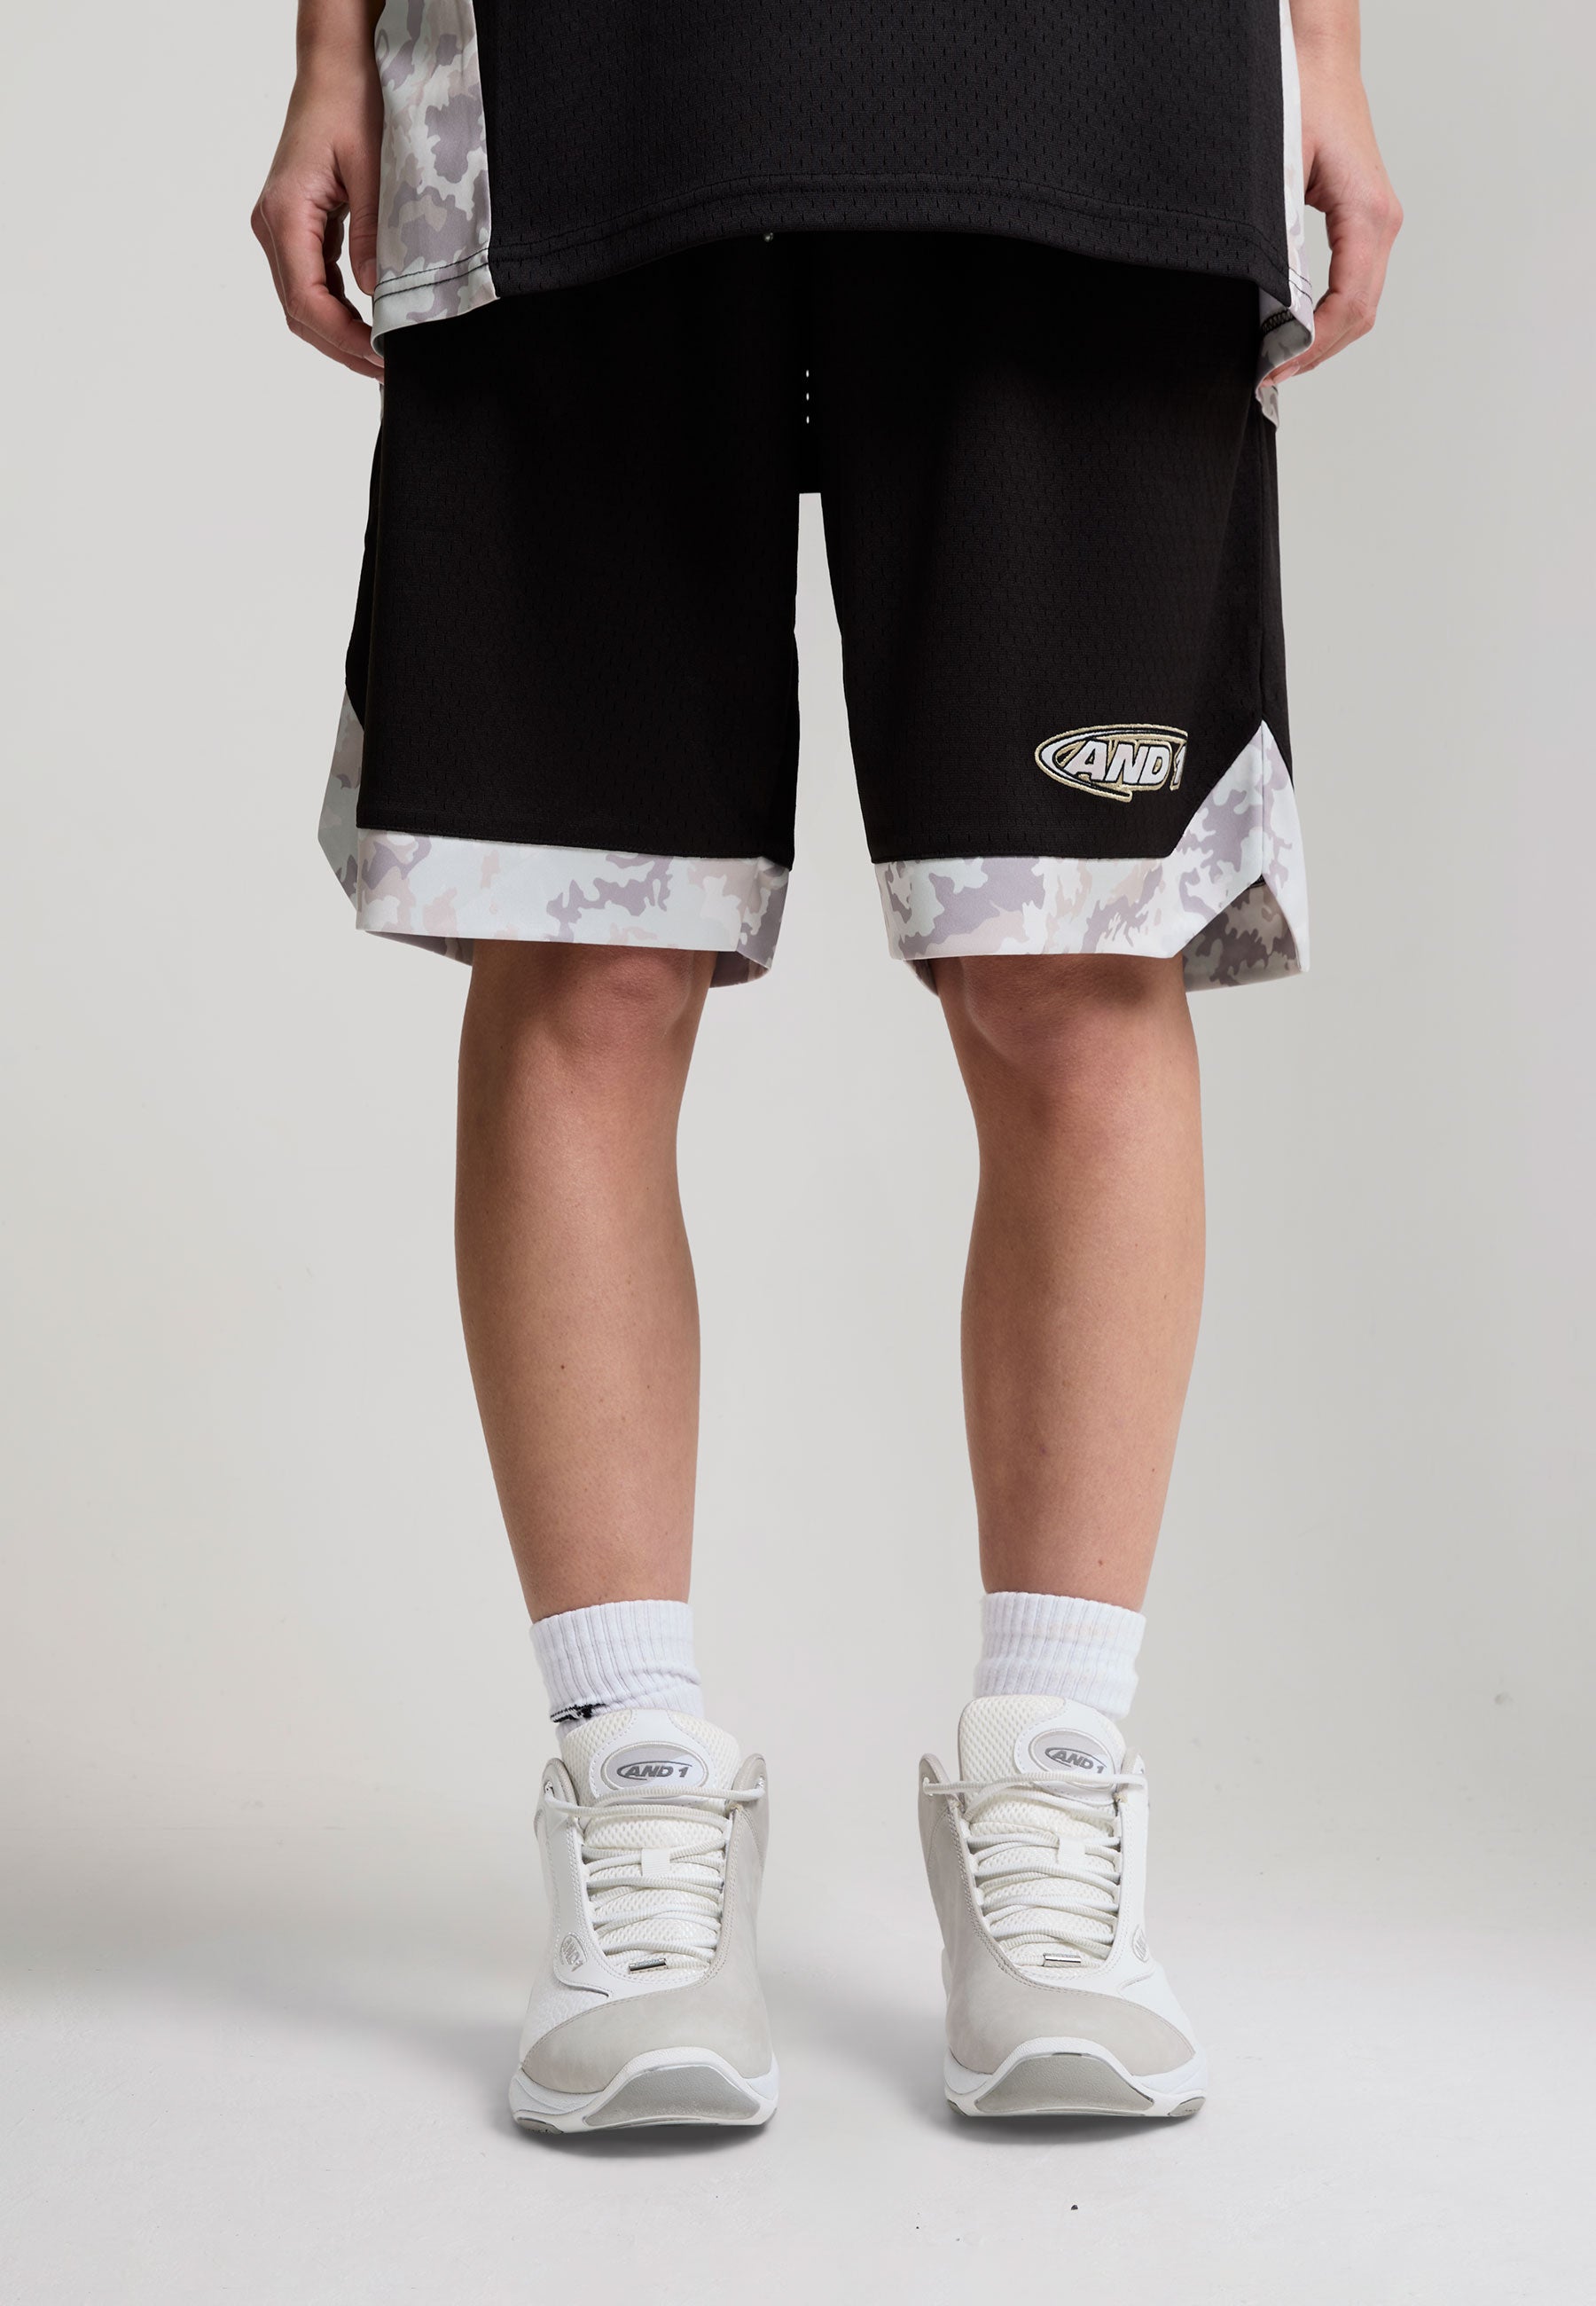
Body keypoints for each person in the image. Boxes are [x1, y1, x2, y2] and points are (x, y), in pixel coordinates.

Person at [254, 0, 1399, 2131]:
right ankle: (634, 1780)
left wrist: (1318, 42)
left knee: (1071, 950)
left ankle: (1054, 1764)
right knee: (590, 937)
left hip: (1092, 78)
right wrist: (336, 48)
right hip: (577, 71)